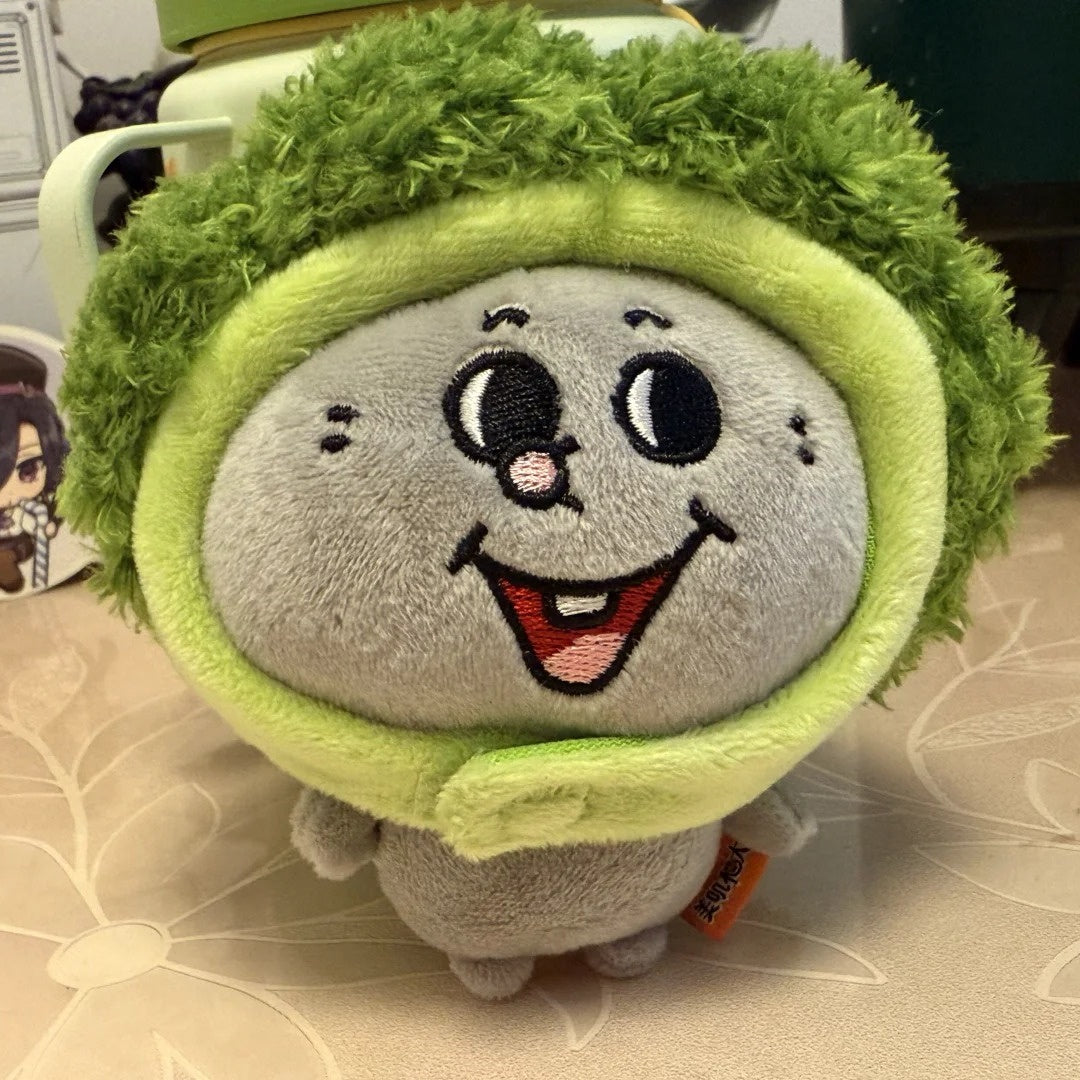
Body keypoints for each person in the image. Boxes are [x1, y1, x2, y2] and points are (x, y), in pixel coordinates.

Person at [0, 345, 67, 594]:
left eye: (28, 470)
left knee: (18, 546)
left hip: (18, 542)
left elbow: (53, 514)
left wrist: (49, 524)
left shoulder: (32, 508)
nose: (9, 493)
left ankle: (6, 559)